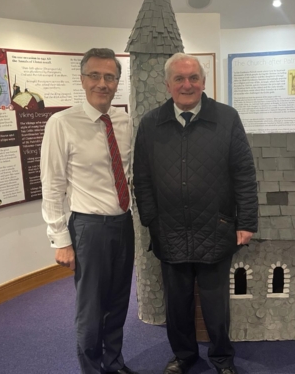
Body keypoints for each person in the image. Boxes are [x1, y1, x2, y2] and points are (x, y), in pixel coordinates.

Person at [133, 53, 258, 374]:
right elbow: (142, 177)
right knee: (178, 304)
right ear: (168, 84)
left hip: (215, 227)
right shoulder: (150, 124)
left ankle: (221, 358)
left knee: (216, 305)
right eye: (179, 78)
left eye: (193, 78)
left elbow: (243, 172)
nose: (187, 85)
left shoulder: (227, 118)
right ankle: (184, 356)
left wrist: (245, 222)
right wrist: (152, 221)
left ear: (203, 82)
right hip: (169, 230)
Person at [40, 48, 137, 374]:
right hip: (88, 228)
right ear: (83, 79)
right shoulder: (61, 123)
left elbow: (130, 173)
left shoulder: (124, 122)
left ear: (117, 82)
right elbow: (52, 185)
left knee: (119, 302)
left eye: (110, 77)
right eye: (94, 75)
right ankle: (92, 370)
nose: (102, 83)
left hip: (124, 224)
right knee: (91, 310)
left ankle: (114, 363)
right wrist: (60, 239)